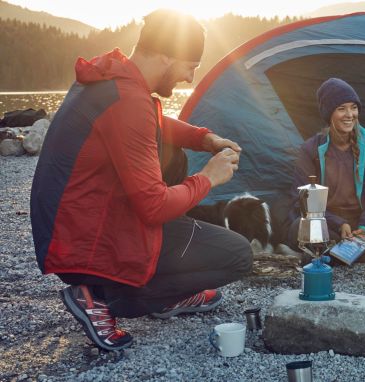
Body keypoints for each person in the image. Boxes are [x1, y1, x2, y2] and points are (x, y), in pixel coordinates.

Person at [30, 9, 253, 351]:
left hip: (70, 229)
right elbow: (152, 206)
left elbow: (156, 123)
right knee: (238, 255)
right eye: (190, 65)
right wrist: (208, 178)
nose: (190, 77)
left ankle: (158, 290)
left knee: (173, 155)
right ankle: (105, 297)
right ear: (166, 56)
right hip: (83, 247)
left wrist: (205, 139)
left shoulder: (114, 78)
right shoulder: (128, 101)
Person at [287, 78, 365, 265]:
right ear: (329, 113)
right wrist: (339, 223)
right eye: (342, 108)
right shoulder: (311, 148)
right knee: (297, 228)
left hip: (361, 222)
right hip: (327, 222)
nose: (350, 114)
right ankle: (361, 254)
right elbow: (303, 200)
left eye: (353, 107)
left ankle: (334, 255)